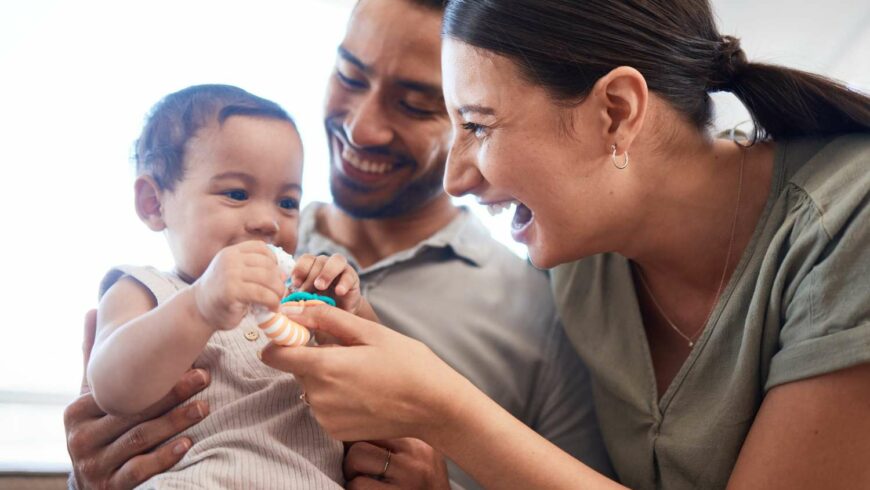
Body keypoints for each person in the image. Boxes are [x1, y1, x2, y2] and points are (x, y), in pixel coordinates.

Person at [259, 0, 870, 488]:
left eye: (477, 124)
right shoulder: (579, 264)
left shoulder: (848, 221)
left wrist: (443, 409)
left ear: (616, 111)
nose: (455, 179)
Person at [63, 1, 612, 489]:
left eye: (417, 104)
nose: (364, 128)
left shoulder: (539, 306)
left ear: (470, 121)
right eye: (350, 76)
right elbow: (115, 396)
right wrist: (90, 477)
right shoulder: (184, 273)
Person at [85, 83, 372, 489]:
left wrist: (351, 311)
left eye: (288, 202)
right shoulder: (146, 290)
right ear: (154, 202)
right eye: (237, 194)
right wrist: (200, 306)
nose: (268, 221)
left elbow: (377, 381)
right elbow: (111, 388)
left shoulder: (298, 304)